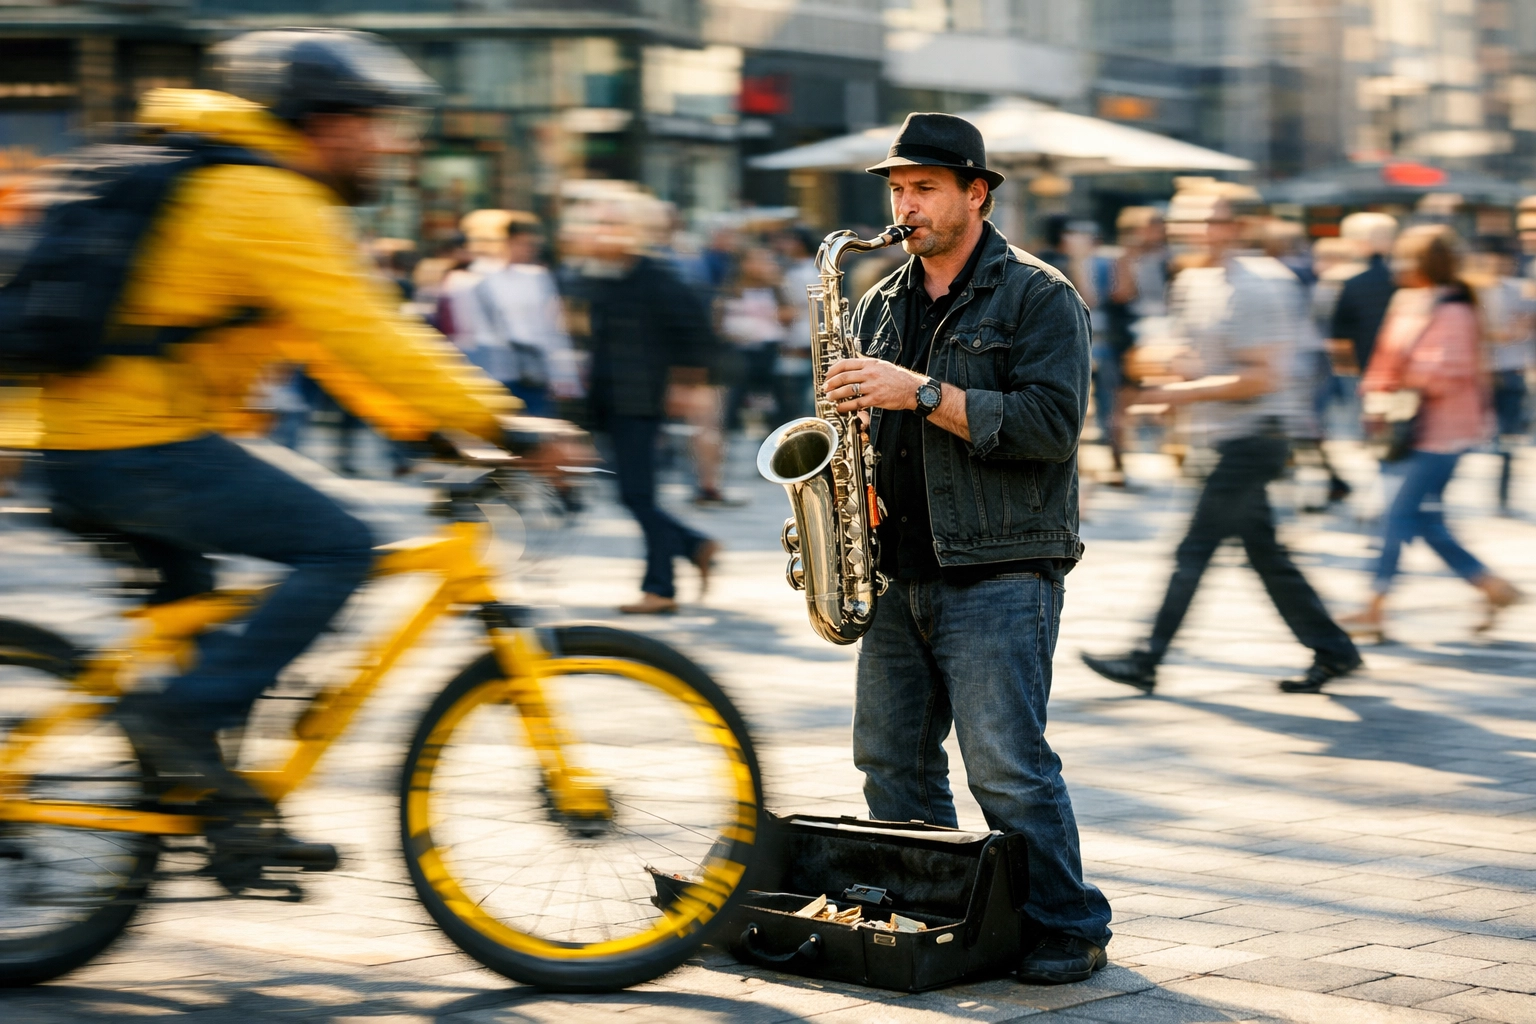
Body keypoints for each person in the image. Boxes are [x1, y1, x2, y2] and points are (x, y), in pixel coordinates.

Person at [32, 30, 519, 876]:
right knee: (338, 545)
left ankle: (224, 810)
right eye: (372, 124)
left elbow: (326, 345)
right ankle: (180, 729)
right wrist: (509, 424)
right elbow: (365, 327)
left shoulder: (245, 187)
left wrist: (431, 430)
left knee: (212, 642)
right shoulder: (262, 195)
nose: (388, 144)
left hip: (114, 436)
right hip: (129, 443)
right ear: (319, 122)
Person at [822, 112, 1112, 985]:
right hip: (894, 568)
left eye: (924, 189)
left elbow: (1051, 428)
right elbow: (863, 427)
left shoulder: (1039, 295)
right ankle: (944, 914)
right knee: (890, 764)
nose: (903, 207)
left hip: (1000, 567)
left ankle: (1069, 926)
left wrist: (920, 392)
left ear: (976, 194)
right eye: (896, 190)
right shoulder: (877, 300)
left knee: (1010, 771)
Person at [1081, 187, 1362, 695]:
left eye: (1210, 220)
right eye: (1185, 220)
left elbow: (1263, 377)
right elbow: (1192, 356)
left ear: (1239, 226)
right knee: (1266, 555)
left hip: (1255, 438)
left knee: (1195, 548)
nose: (1194, 230)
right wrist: (1166, 366)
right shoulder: (1193, 280)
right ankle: (1335, 649)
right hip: (1215, 437)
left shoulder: (1262, 287)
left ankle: (1147, 657)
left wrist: (1178, 393)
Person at [1344, 226, 1523, 639]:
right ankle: (1492, 586)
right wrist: (1374, 394)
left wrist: (1403, 378)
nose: (1398, 265)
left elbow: (1448, 371)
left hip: (1442, 432)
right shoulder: (1408, 301)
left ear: (1427, 264)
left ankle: (1375, 604)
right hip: (1402, 427)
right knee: (1424, 520)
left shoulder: (1456, 309)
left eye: (1407, 258)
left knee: (1393, 513)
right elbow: (1384, 356)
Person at [572, 199, 720, 615]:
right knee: (634, 494)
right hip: (611, 402)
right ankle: (693, 545)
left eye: (612, 223)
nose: (602, 231)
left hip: (639, 400)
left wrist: (685, 385)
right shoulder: (600, 277)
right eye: (598, 222)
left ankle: (662, 586)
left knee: (638, 495)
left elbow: (696, 333)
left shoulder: (656, 277)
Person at [467, 213, 582, 418]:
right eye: (524, 243)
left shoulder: (539, 278)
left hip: (533, 371)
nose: (528, 250)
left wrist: (564, 376)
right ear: (508, 242)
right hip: (495, 372)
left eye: (532, 245)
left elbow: (552, 330)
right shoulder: (480, 277)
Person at [718, 245, 795, 434]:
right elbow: (721, 321)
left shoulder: (776, 288)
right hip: (740, 350)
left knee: (781, 397)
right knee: (735, 393)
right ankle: (730, 431)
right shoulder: (732, 288)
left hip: (769, 349)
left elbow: (788, 316)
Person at [1329, 212, 1398, 378]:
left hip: (1364, 370)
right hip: (1398, 368)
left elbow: (1338, 336)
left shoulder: (1341, 279)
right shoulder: (1407, 277)